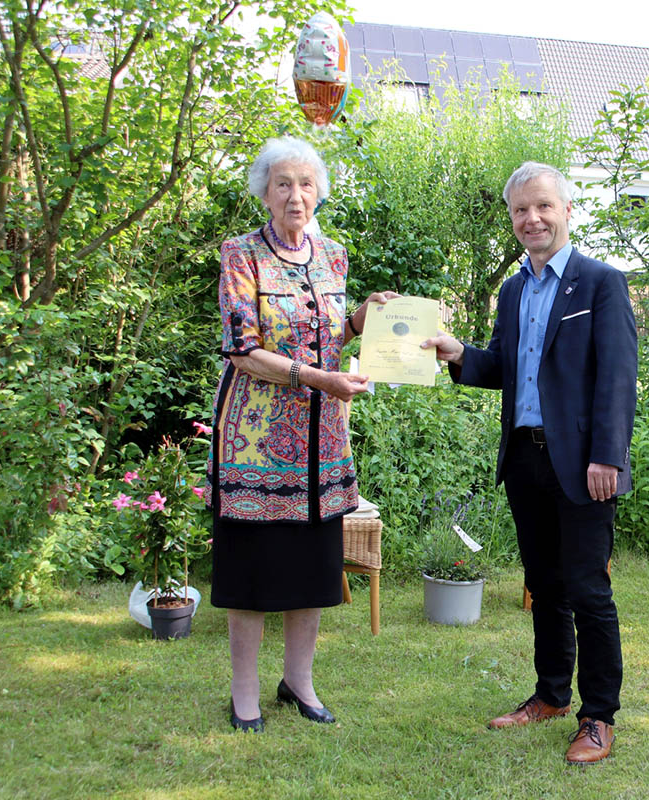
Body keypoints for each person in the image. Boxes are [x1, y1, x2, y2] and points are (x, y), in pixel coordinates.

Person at [423, 162, 638, 764]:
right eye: (521, 210)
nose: (532, 219)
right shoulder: (514, 289)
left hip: (583, 464)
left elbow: (618, 380)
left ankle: (598, 716)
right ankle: (550, 695)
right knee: (544, 587)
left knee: (588, 589)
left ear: (567, 211)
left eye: (543, 206)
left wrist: (608, 457)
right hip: (524, 459)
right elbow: (506, 368)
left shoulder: (601, 283)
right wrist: (459, 353)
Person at [206, 136, 396, 732]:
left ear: (320, 192)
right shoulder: (241, 254)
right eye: (283, 183)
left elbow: (335, 334)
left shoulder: (333, 255)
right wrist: (317, 378)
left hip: (322, 441)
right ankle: (244, 695)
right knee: (253, 571)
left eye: (306, 183)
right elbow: (242, 350)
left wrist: (370, 315)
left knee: (313, 569)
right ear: (265, 190)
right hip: (256, 441)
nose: (295, 195)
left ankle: (299, 682)